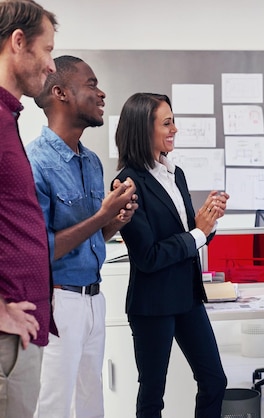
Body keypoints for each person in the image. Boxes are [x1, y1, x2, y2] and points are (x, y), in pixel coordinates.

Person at [26, 55, 138, 418]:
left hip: (94, 298)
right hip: (59, 303)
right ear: (60, 92)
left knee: (92, 405)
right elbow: (41, 250)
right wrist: (102, 215)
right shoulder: (35, 163)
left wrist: (114, 221)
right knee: (54, 406)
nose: (101, 93)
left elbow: (90, 237)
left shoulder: (90, 161)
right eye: (91, 84)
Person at [114, 92, 228, 418]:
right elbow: (148, 255)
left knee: (214, 380)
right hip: (152, 304)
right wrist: (198, 232)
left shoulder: (175, 173)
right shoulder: (126, 183)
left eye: (173, 120)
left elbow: (190, 232)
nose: (174, 129)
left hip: (187, 297)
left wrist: (208, 221)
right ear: (142, 129)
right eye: (167, 123)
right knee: (153, 395)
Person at [0, 1, 57, 416]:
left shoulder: (9, 119)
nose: (51, 65)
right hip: (7, 339)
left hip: (20, 336)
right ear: (18, 42)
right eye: (48, 49)